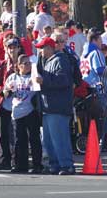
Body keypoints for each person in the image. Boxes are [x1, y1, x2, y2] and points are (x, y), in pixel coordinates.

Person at [35, 37, 74, 175]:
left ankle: (66, 164)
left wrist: (44, 80)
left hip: (58, 107)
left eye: (42, 48)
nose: (40, 51)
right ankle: (55, 164)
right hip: (48, 107)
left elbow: (64, 80)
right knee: (49, 140)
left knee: (60, 138)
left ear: (49, 48)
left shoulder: (60, 60)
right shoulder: (47, 61)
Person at [4, 55, 42, 174]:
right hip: (17, 112)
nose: (28, 65)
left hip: (31, 111)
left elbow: (39, 89)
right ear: (18, 66)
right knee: (19, 140)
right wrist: (8, 90)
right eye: (25, 63)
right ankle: (20, 164)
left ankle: (37, 165)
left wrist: (36, 81)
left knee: (34, 138)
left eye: (29, 63)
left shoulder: (33, 76)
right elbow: (4, 93)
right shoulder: (13, 77)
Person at [0, 37, 21, 170]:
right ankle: (5, 159)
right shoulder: (2, 65)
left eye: (14, 47)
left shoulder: (24, 63)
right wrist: (1, 91)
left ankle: (18, 160)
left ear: (19, 48)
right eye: (9, 47)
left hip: (21, 103)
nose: (12, 50)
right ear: (6, 49)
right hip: (5, 103)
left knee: (18, 134)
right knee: (4, 133)